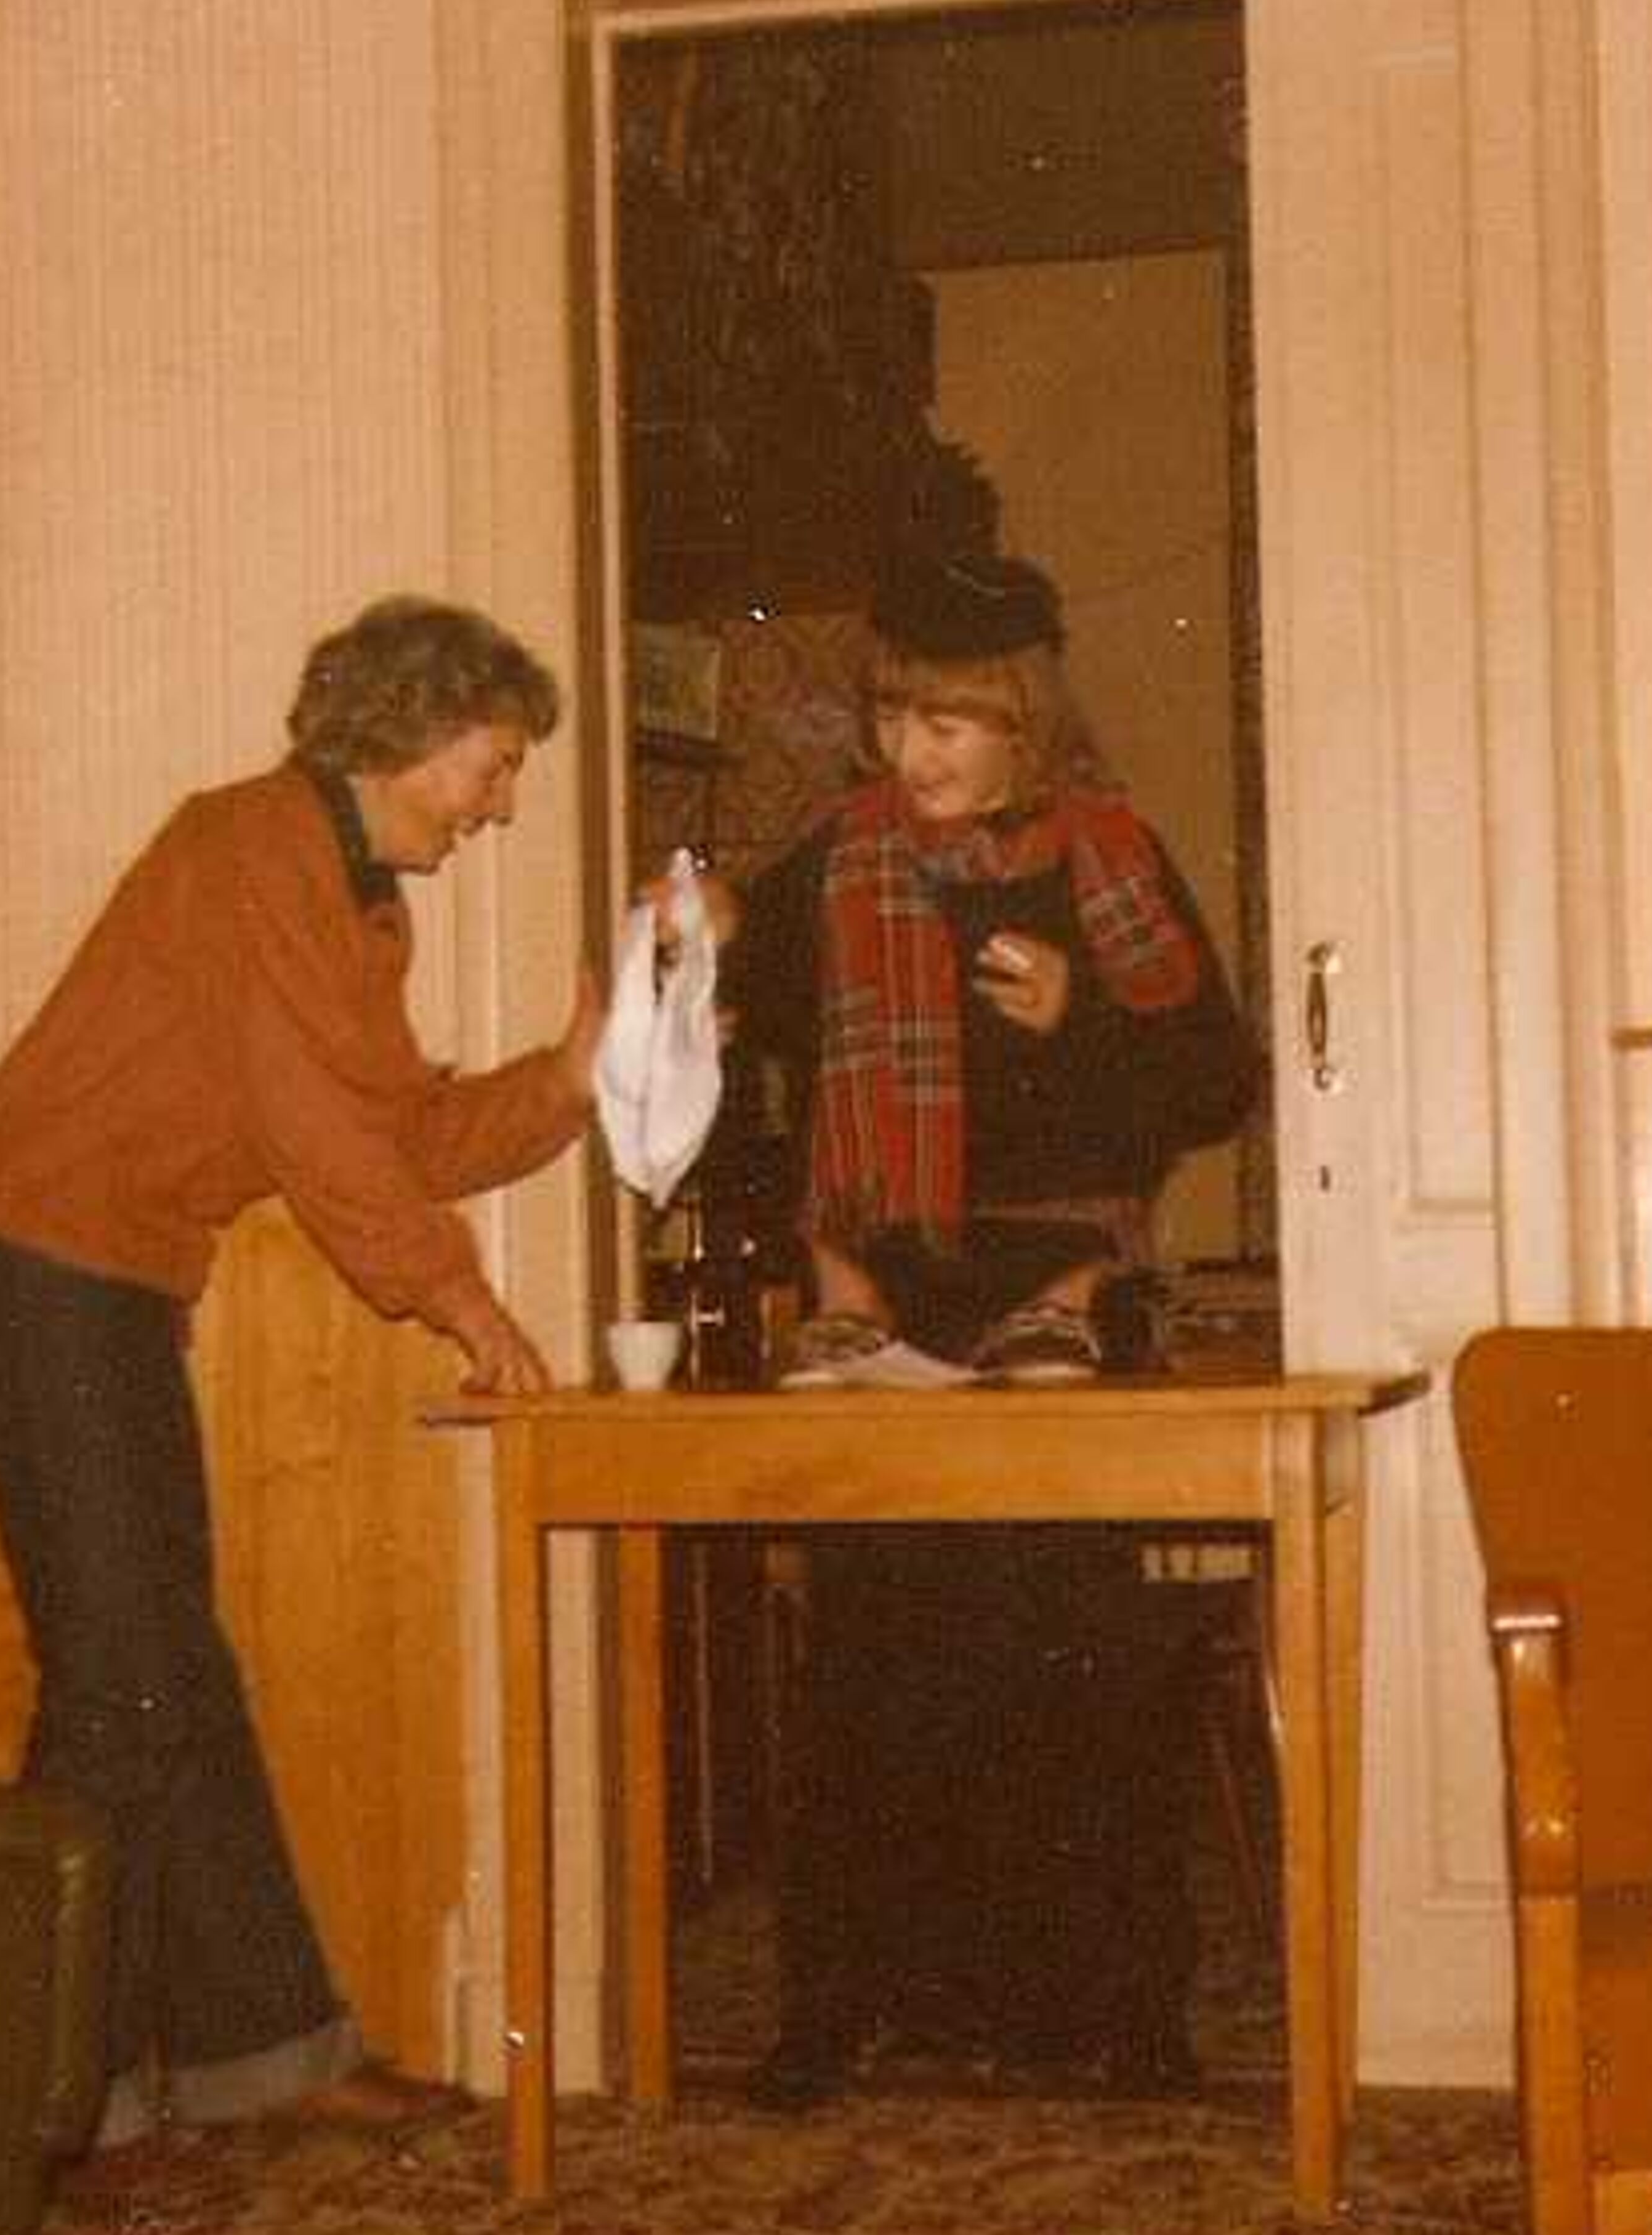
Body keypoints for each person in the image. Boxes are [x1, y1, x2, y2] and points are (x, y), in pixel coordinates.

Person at [0, 594, 601, 2154]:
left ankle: (264, 2054)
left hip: (102, 1291)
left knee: (159, 1676)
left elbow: (400, 1132)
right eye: (495, 765)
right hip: (33, 1277)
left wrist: (568, 1082)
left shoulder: (356, 907)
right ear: (417, 731)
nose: (501, 805)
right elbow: (317, 1130)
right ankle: (29, 2108)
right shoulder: (247, 849)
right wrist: (460, 1301)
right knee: (126, 1687)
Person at [680, 546, 1257, 2106]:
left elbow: (1215, 1081)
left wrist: (1081, 1019)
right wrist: (714, 934)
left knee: (1075, 1660)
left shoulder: (1110, 860)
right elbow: (758, 1044)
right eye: (892, 718)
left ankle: (1116, 2015)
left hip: (1062, 1285)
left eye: (946, 723)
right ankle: (844, 2010)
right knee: (873, 1659)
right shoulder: (839, 860)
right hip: (888, 1293)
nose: (911, 751)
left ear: (1023, 722)